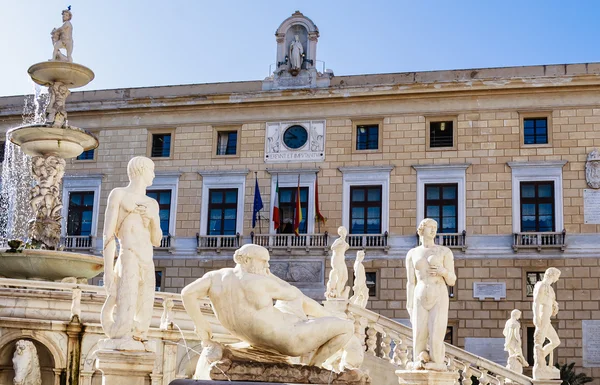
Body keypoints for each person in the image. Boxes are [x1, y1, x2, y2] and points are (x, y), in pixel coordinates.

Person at [181, 244, 354, 369]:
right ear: (248, 260)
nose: (267, 266)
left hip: (258, 338)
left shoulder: (215, 277)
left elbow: (187, 293)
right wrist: (271, 276)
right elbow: (293, 292)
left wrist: (201, 324)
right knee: (347, 327)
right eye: (264, 261)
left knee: (294, 302)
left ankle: (328, 316)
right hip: (292, 340)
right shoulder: (260, 282)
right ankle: (313, 367)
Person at [100, 156, 163, 351]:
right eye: (151, 170)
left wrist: (153, 220)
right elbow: (108, 236)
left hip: (148, 258)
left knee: (145, 303)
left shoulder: (152, 203)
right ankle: (123, 333)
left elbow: (157, 240)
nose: (153, 175)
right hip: (129, 254)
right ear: (141, 170)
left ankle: (140, 334)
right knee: (126, 297)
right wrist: (108, 271)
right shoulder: (119, 194)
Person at [406, 218, 456, 371]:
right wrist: (409, 304)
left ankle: (437, 364)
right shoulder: (412, 253)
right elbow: (411, 282)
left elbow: (452, 280)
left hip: (438, 294)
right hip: (419, 295)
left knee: (436, 334)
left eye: (435, 227)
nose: (433, 230)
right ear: (421, 230)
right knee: (418, 333)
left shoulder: (444, 252)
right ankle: (418, 361)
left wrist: (442, 271)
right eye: (430, 227)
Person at [532, 267, 561, 380]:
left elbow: (553, 305)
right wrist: (535, 316)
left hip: (547, 318)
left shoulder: (551, 290)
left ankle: (541, 358)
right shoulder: (541, 285)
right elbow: (536, 302)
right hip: (542, 315)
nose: (557, 279)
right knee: (539, 341)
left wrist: (555, 307)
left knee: (556, 341)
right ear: (552, 275)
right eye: (557, 276)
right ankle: (539, 365)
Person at [325, 226, 350, 299]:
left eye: (344, 232)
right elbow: (332, 247)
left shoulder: (344, 242)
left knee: (345, 277)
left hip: (342, 260)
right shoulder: (339, 240)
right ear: (340, 233)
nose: (344, 233)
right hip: (336, 260)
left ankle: (340, 291)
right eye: (342, 232)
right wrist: (339, 245)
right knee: (339, 277)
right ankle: (338, 293)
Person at [503, 309, 528, 374]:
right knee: (518, 353)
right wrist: (519, 341)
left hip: (509, 341)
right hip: (514, 342)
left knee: (511, 355)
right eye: (519, 315)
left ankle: (512, 368)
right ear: (516, 315)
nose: (519, 317)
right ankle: (523, 362)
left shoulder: (508, 322)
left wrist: (508, 336)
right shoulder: (516, 323)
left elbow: (504, 332)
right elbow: (516, 334)